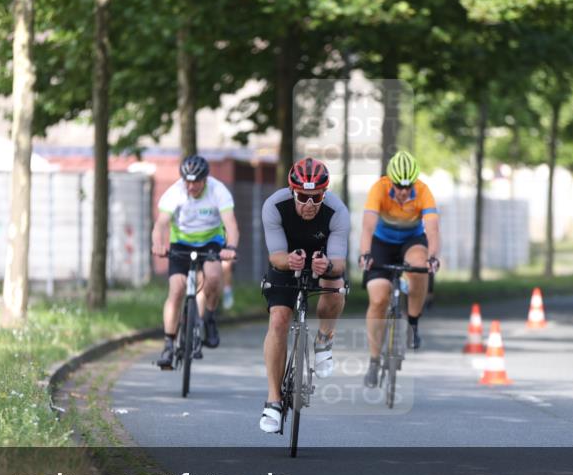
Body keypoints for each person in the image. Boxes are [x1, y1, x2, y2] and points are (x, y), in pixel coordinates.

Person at [259, 158, 349, 433]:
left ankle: (323, 341)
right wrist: (290, 261)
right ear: (291, 191)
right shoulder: (274, 206)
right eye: (302, 197)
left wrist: (328, 266)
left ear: (325, 194)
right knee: (278, 320)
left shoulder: (337, 211)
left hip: (323, 260)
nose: (309, 204)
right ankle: (273, 401)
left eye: (316, 197)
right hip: (285, 262)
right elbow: (275, 256)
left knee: (335, 288)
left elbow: (340, 261)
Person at [358, 150, 440, 388]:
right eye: (398, 186)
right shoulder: (379, 189)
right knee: (378, 299)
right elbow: (367, 226)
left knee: (419, 266)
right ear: (390, 180)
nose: (403, 191)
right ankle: (374, 360)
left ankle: (413, 323)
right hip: (381, 243)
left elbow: (433, 229)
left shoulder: (423, 191)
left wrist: (433, 257)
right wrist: (365, 253)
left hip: (411, 241)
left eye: (408, 186)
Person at [151, 155, 239, 369]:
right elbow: (161, 224)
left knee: (214, 277)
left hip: (210, 243)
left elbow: (231, 225)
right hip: (181, 244)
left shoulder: (218, 191)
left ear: (205, 179)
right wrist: (158, 245)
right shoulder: (174, 192)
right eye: (187, 181)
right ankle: (169, 344)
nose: (191, 186)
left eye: (196, 182)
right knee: (176, 290)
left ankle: (209, 317)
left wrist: (231, 248)